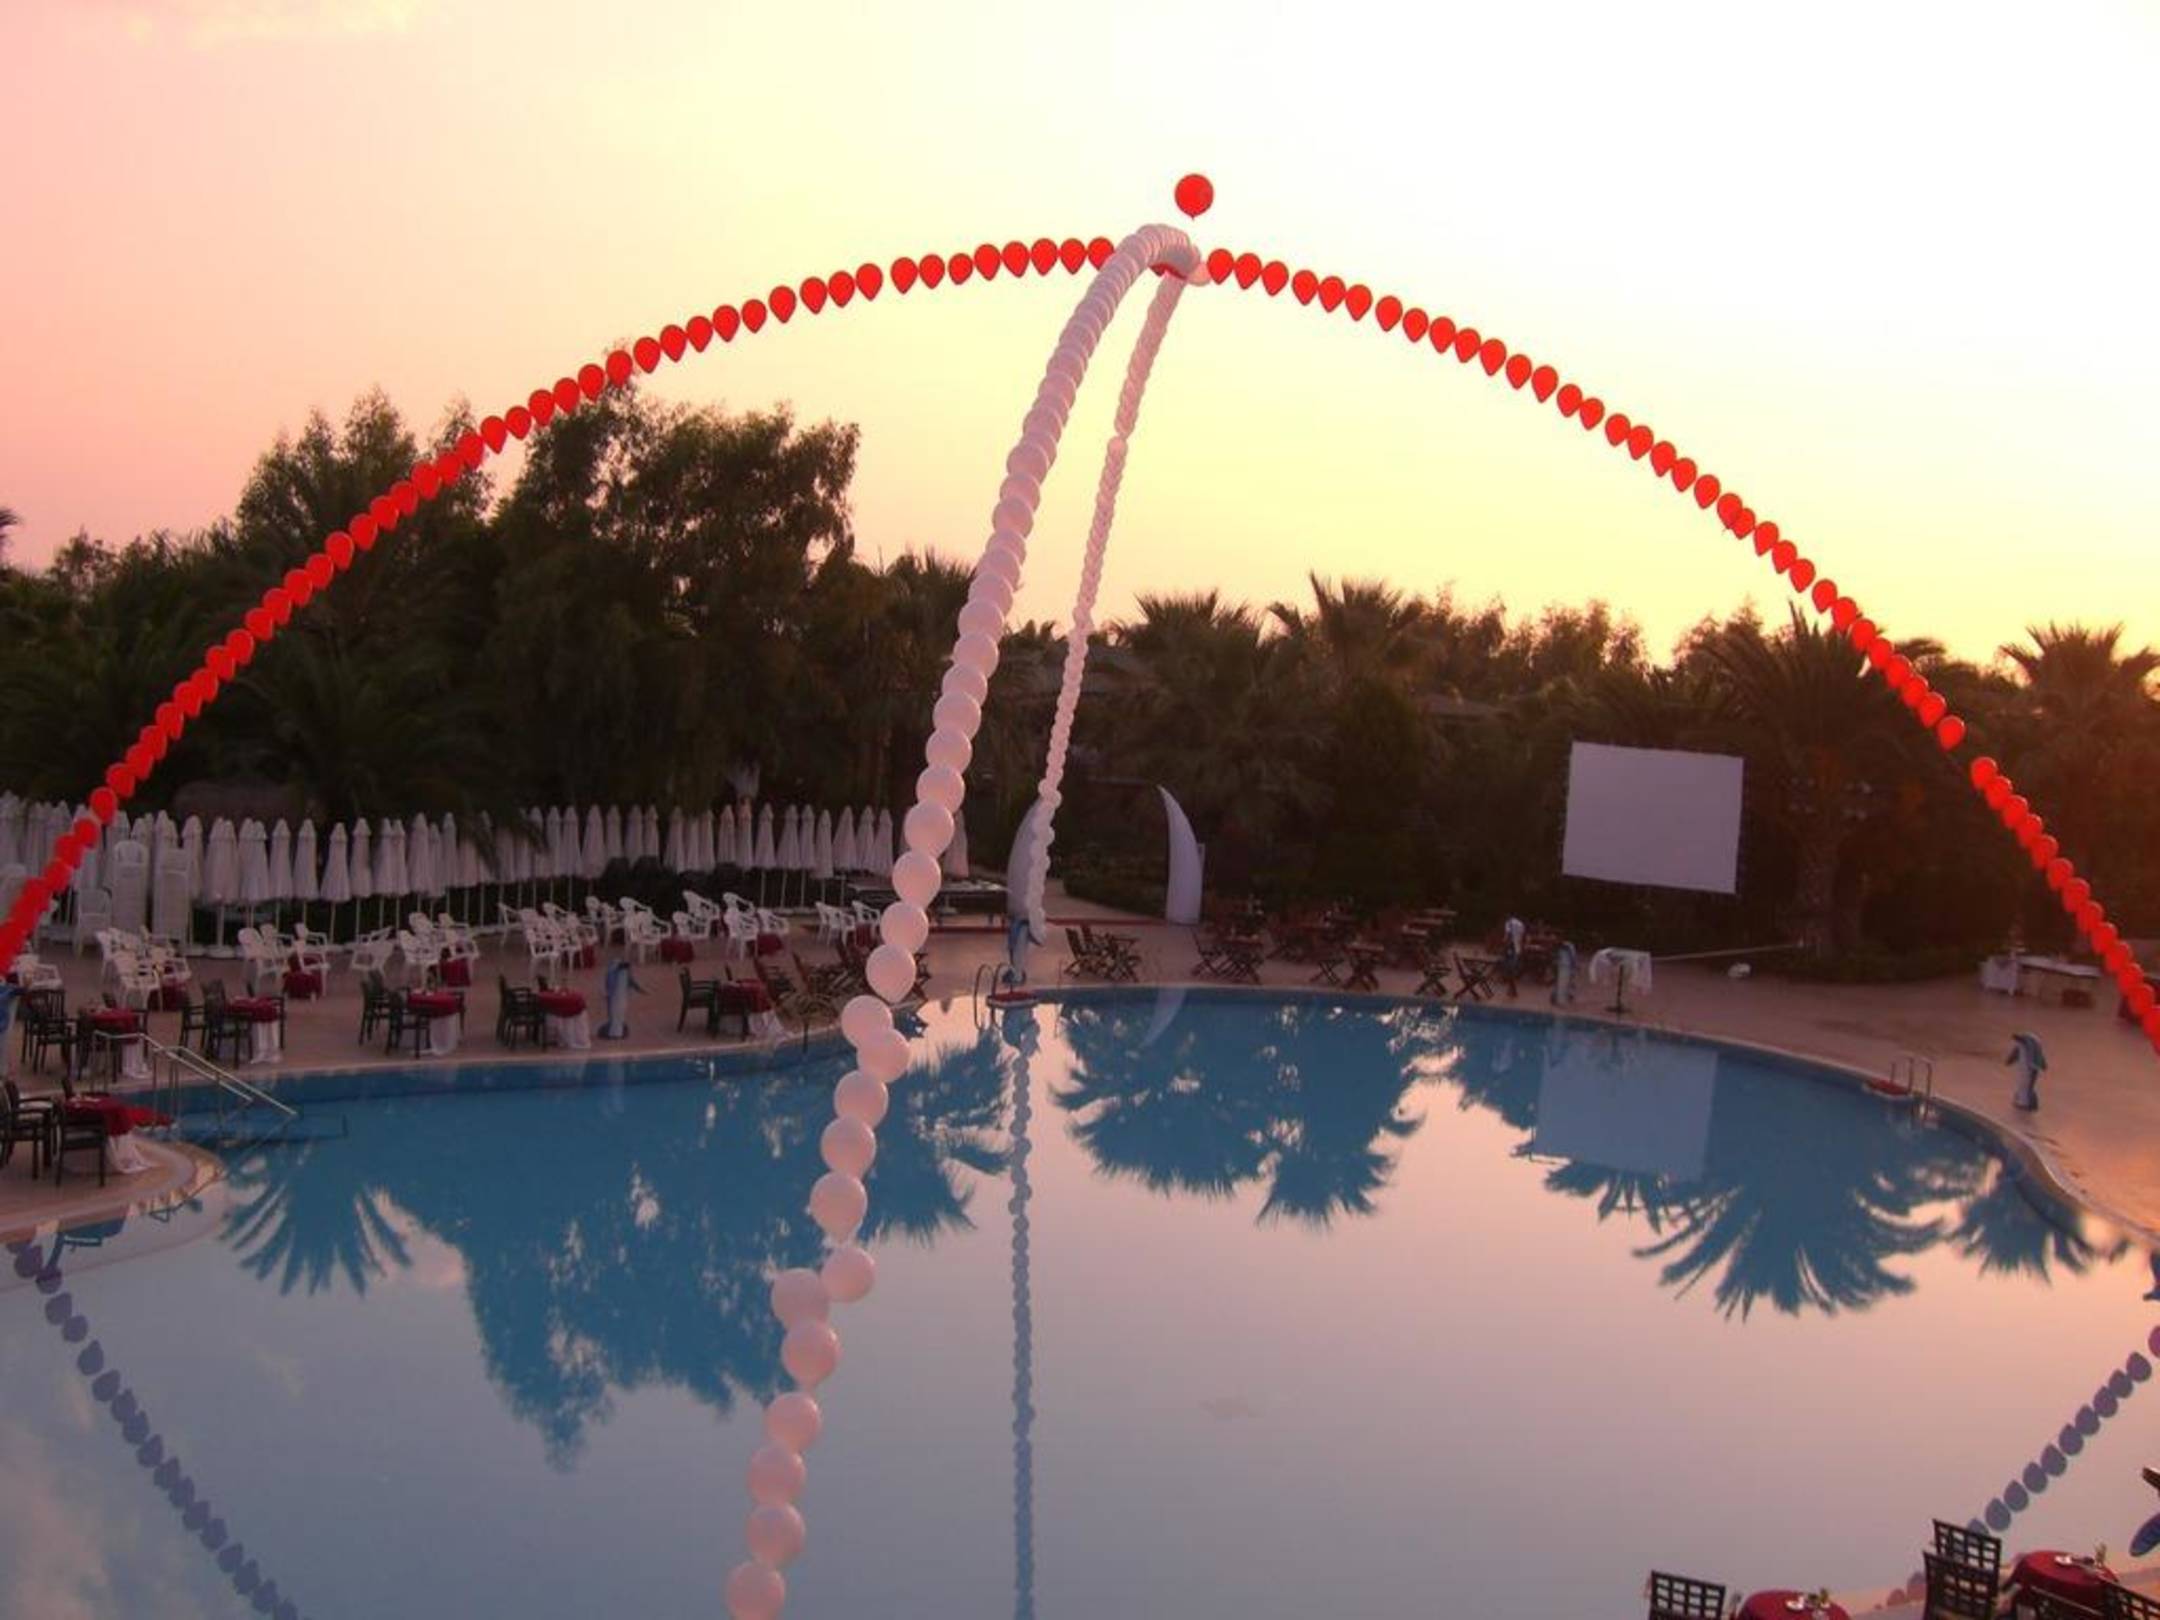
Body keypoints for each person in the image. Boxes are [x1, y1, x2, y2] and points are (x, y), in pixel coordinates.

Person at [2005, 1031, 2047, 1112]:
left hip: (2030, 1068)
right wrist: (2009, 1061)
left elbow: (2036, 1055)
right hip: (2025, 1067)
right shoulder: (2026, 1043)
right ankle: (2023, 1102)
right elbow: (2015, 1052)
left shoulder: (2031, 1043)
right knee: (2024, 1085)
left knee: (2027, 1085)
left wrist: (2035, 1064)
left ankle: (2025, 1103)